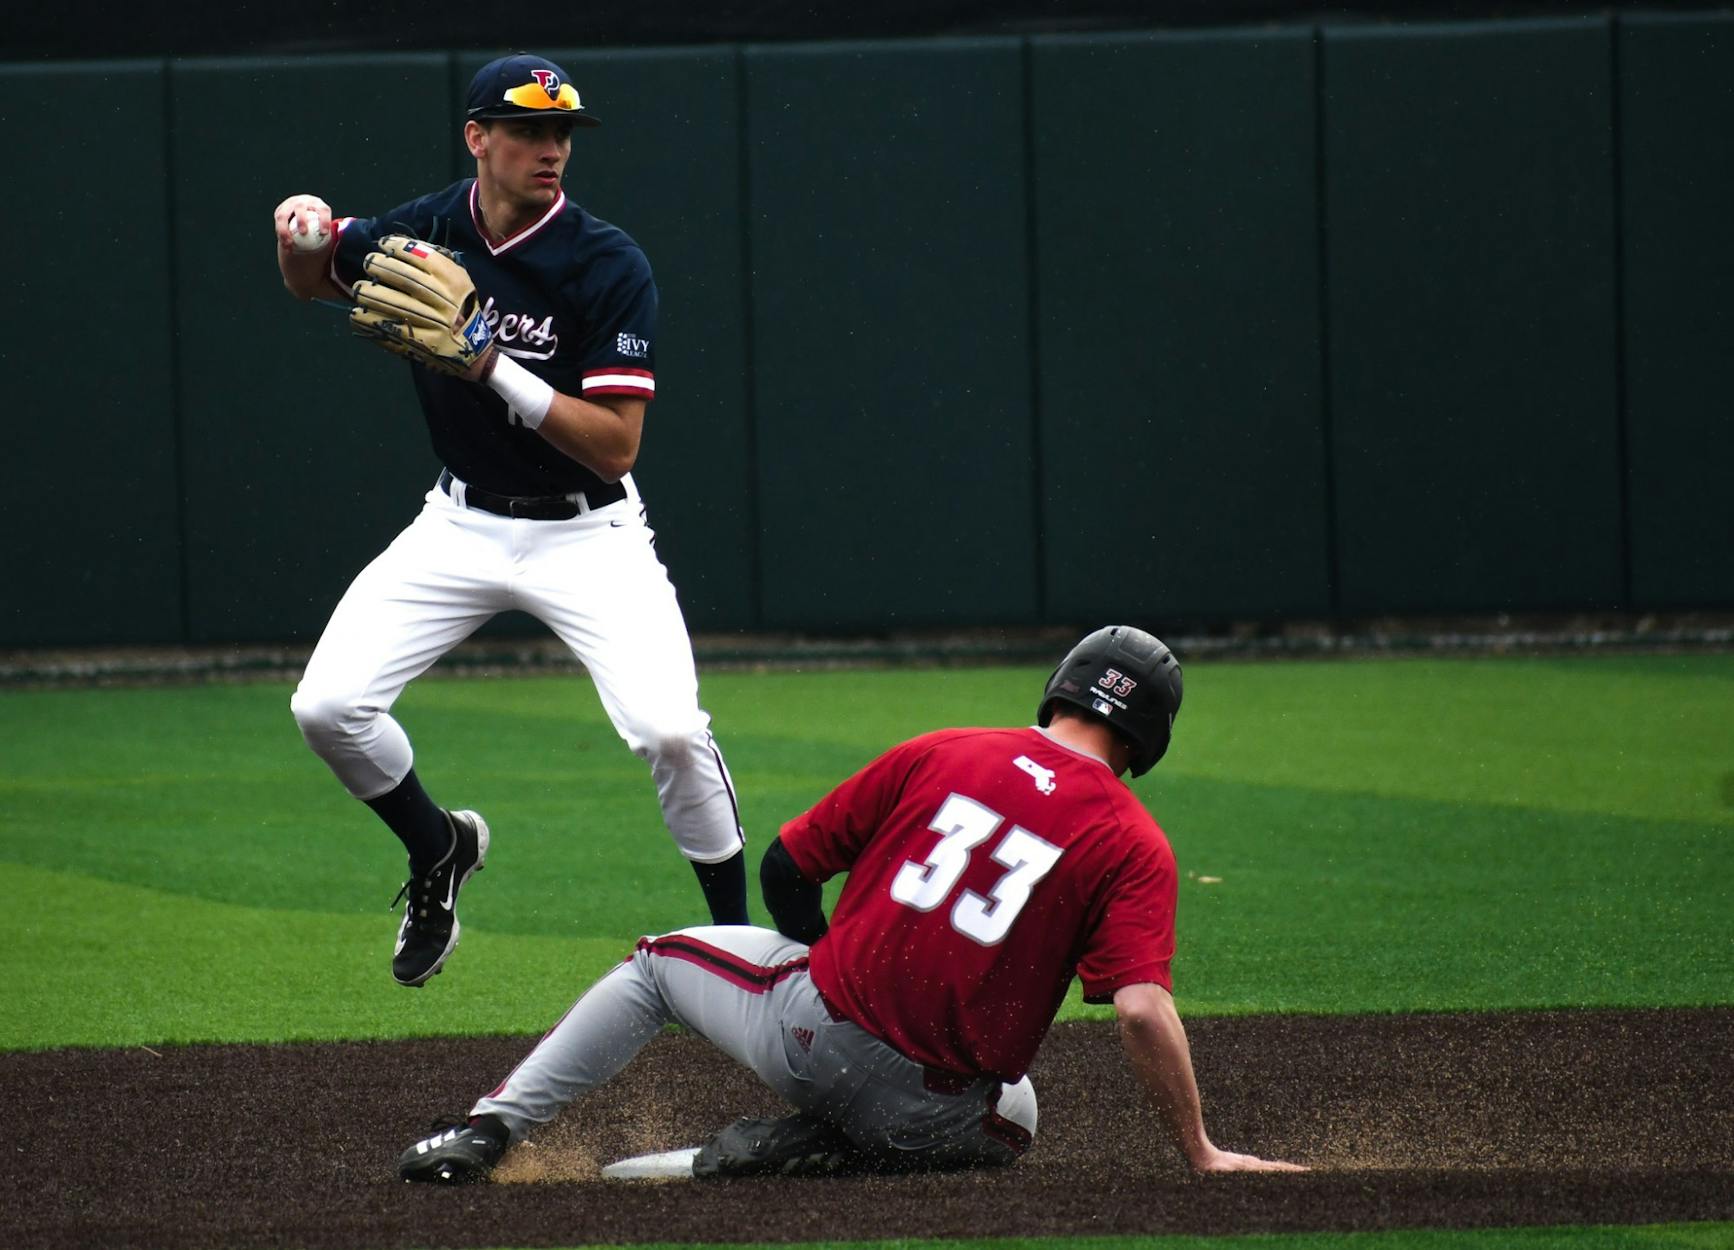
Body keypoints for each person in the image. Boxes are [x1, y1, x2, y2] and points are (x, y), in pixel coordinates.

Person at [396, 626, 1306, 1182]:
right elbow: (1142, 1009)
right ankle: (825, 1146)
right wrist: (1199, 1150)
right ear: (1150, 738)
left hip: (809, 1038)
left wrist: (825, 974)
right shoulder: (1136, 842)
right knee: (1018, 1110)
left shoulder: (943, 751)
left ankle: (488, 1132)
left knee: (655, 963)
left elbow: (787, 868)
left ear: (1061, 686)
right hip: (936, 1116)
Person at [271, 52, 747, 989]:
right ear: (477, 138)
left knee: (671, 733)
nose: (552, 149)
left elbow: (614, 446)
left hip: (589, 533)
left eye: (563, 131)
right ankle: (438, 848)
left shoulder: (607, 263)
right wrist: (298, 231)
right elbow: (315, 276)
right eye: (529, 129)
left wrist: (492, 363)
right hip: (460, 524)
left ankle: (742, 945)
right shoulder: (428, 228)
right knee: (326, 708)